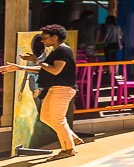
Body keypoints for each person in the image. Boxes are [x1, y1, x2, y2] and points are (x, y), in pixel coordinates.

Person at [1, 25, 80, 159]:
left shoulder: (63, 51)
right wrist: (19, 67)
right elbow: (45, 69)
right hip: (56, 88)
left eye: (45, 38)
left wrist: (36, 60)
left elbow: (55, 70)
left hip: (62, 89)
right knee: (45, 117)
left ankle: (68, 149)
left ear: (55, 37)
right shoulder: (57, 51)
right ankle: (72, 138)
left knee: (57, 119)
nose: (42, 41)